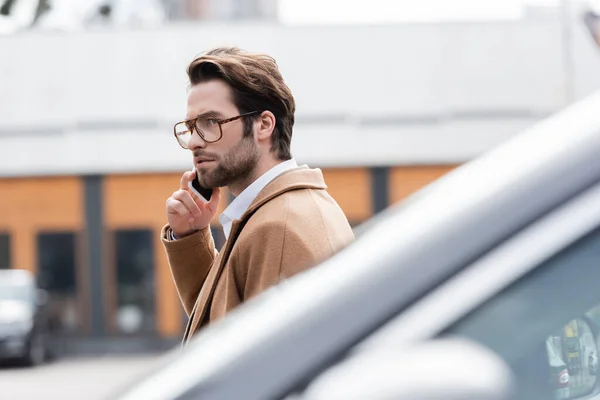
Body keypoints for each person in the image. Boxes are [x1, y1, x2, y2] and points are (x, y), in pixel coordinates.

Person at [162, 47, 355, 345]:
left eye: (211, 122)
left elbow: (262, 372)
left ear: (264, 125)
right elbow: (223, 330)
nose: (194, 142)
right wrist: (190, 238)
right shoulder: (279, 212)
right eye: (190, 127)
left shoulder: (278, 229)